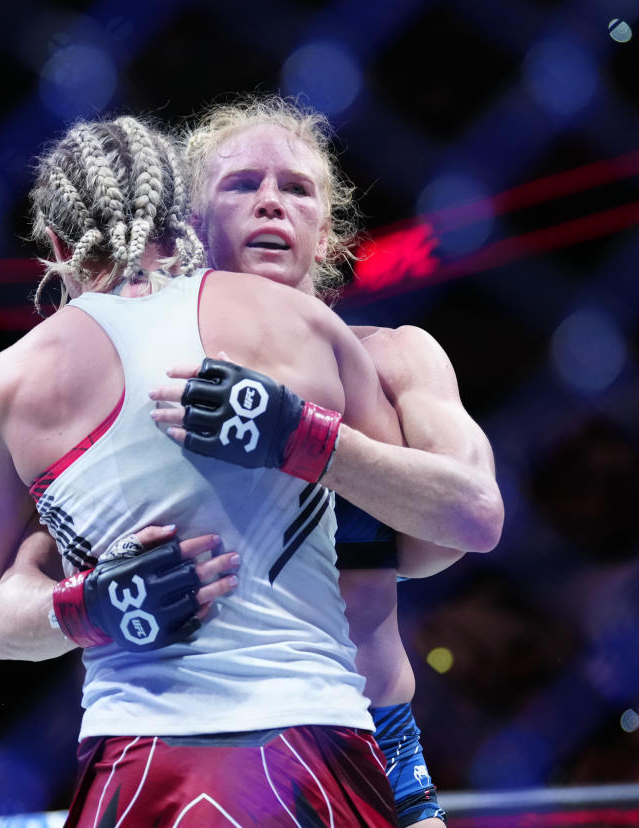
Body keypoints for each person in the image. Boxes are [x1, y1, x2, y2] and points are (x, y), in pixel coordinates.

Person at [0, 115, 404, 826]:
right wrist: (308, 444)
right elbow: (430, 525)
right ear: (189, 219)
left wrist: (87, 606)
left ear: (54, 246)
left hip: (139, 755)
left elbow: (3, 614)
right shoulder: (291, 321)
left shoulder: (18, 378)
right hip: (317, 739)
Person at [149, 96, 504, 827]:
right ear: (191, 222)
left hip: (368, 741)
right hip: (195, 736)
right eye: (242, 184)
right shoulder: (143, 371)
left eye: (297, 188)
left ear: (327, 227)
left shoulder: (394, 358)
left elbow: (475, 514)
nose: (271, 203)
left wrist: (304, 438)